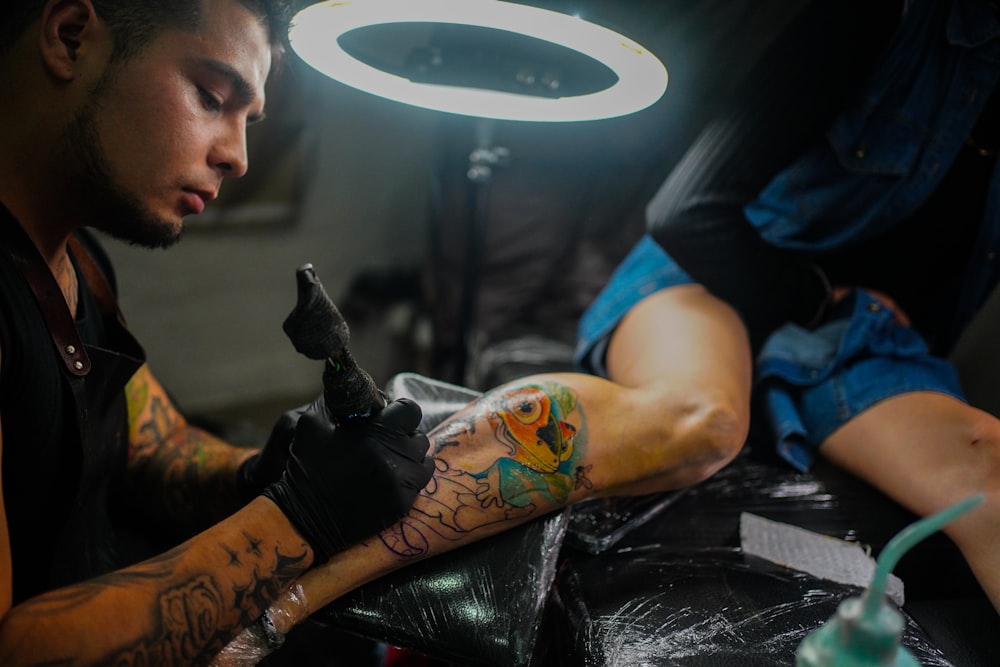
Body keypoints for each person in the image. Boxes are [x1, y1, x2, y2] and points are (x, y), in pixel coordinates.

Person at [0, 1, 439, 664]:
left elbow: (153, 445)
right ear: (69, 37)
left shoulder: (77, 260)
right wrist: (297, 516)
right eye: (211, 96)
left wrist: (264, 473)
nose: (237, 156)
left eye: (248, 119)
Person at [575, 0, 1000, 614]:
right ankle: (407, 505)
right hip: (718, 275)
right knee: (697, 421)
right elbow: (686, 212)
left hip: (853, 339)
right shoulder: (886, 15)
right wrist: (819, 295)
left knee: (987, 464)